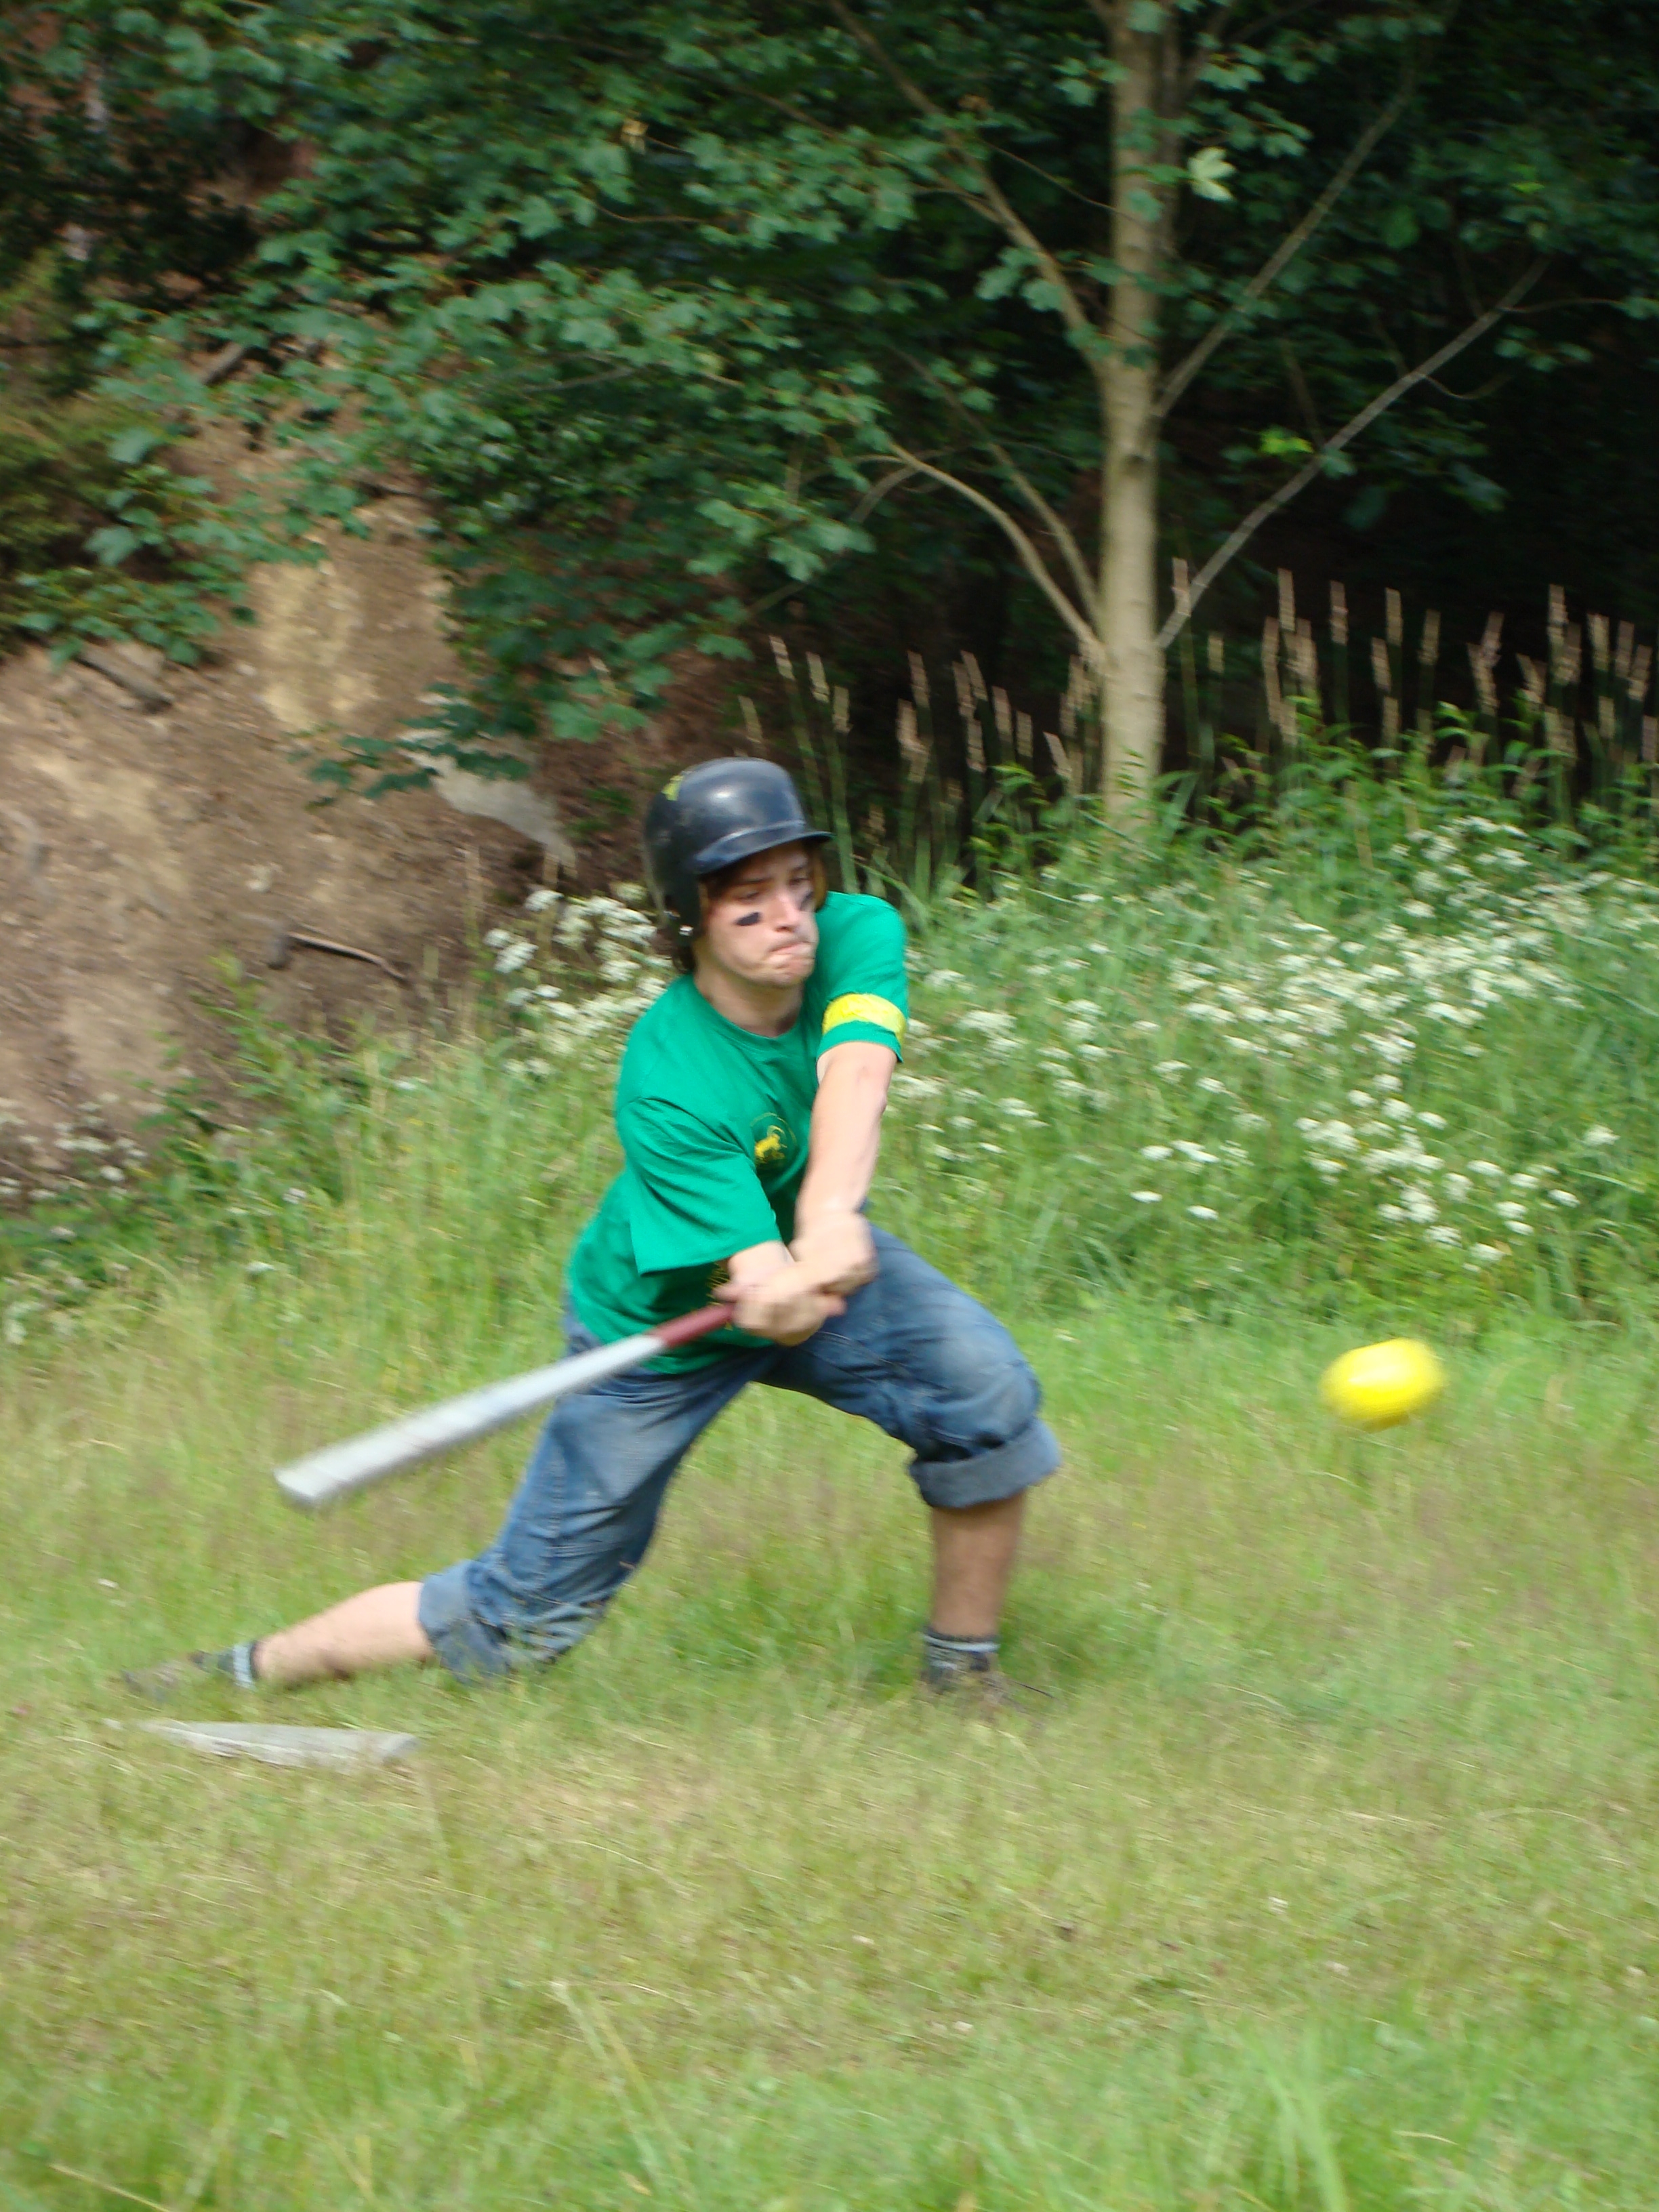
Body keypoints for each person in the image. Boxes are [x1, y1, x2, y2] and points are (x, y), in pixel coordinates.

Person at [127, 760, 1060, 1702]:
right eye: (751, 900)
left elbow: (854, 1074)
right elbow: (762, 1284)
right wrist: (783, 1286)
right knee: (519, 1617)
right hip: (658, 1328)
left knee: (981, 1390)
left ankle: (960, 1674)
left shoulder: (857, 933)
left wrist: (825, 1222)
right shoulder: (668, 1075)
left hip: (811, 1253)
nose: (790, 918)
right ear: (692, 917)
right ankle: (241, 1671)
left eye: (798, 883)